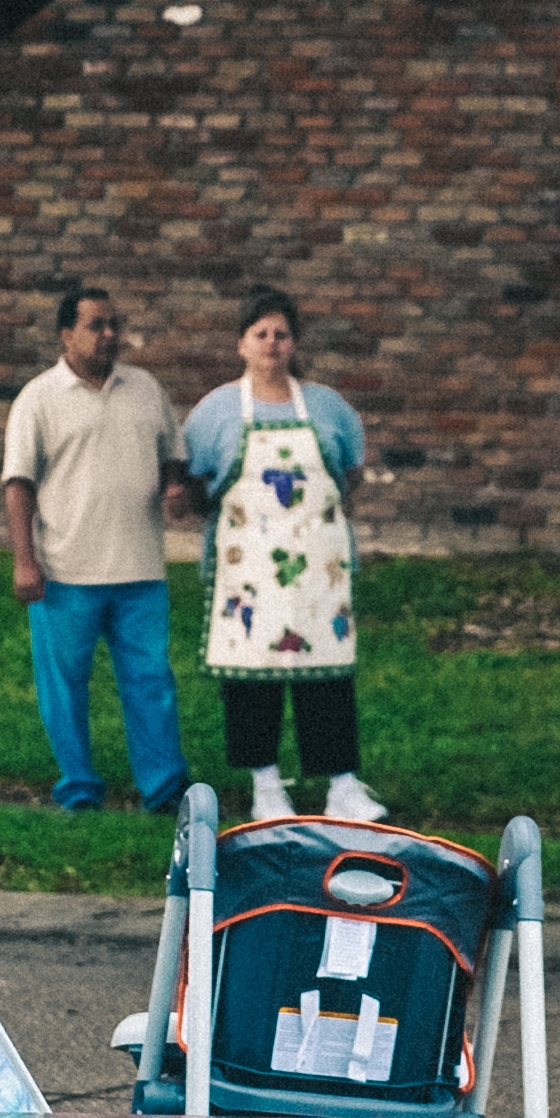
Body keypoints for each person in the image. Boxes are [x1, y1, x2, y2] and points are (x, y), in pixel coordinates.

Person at [180, 286, 383, 823]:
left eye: (281, 334)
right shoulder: (216, 411)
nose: (272, 344)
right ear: (241, 344)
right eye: (260, 334)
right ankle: (265, 784)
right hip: (249, 571)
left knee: (327, 673)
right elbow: (197, 479)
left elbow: (351, 473)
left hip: (319, 570)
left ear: (294, 343)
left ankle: (341, 783)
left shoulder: (326, 406)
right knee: (252, 675)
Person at [3, 287, 195, 813]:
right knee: (65, 688)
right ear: (66, 334)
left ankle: (163, 787)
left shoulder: (146, 389)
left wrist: (175, 486)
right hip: (65, 572)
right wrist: (25, 560)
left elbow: (172, 457)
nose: (108, 335)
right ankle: (80, 787)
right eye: (95, 325)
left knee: (151, 681)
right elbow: (18, 483)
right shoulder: (38, 399)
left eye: (114, 324)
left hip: (139, 571)